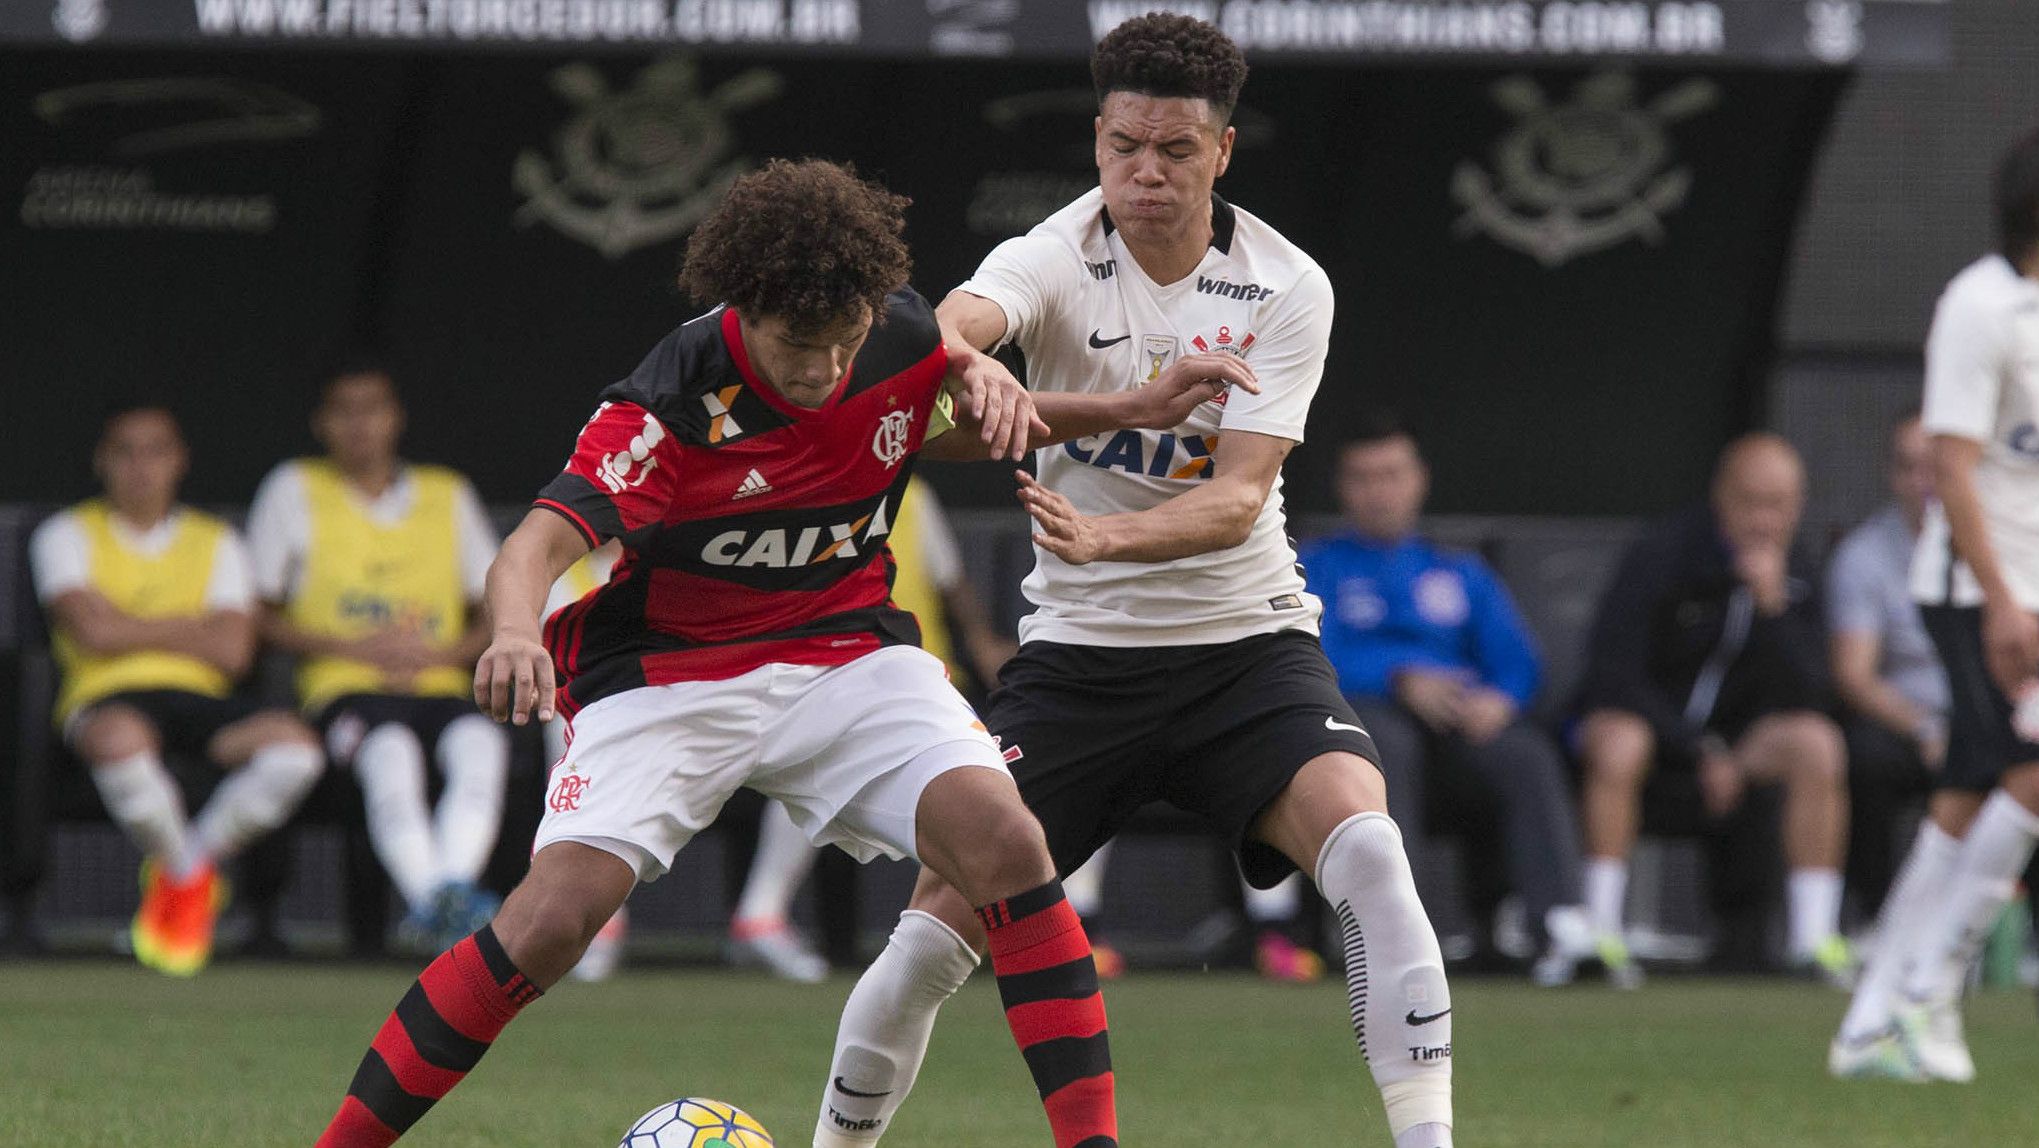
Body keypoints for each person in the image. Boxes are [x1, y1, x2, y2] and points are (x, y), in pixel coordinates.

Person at [310, 158, 1223, 1148]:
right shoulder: (669, 399)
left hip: (844, 652)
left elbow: (936, 424)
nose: (824, 370)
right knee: (551, 922)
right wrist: (517, 632)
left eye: (846, 343)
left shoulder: (897, 332)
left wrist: (1132, 405)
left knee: (1007, 843)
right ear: (743, 306)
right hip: (667, 670)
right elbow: (534, 543)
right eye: (799, 346)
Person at [812, 17, 1455, 1148]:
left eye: (1171, 149)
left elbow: (1238, 497)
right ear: (1098, 142)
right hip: (1079, 665)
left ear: (1222, 152)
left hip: (1244, 645)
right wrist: (962, 361)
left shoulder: (1282, 286)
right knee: (926, 941)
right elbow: (959, 317)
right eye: (1120, 147)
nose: (1142, 173)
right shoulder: (1056, 254)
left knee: (1369, 848)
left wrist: (1104, 543)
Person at [1831, 126, 2039, 1083]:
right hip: (1979, 589)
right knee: (2031, 774)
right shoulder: (1980, 305)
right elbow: (1951, 468)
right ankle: (1927, 992)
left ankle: (1870, 1021)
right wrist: (2000, 603)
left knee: (1965, 793)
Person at [1301, 418, 1596, 986]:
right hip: (1367, 731)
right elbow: (1309, 653)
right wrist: (1398, 677)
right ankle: (1388, 930)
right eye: (1364, 478)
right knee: (1386, 742)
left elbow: (1518, 661)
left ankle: (1559, 925)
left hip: (1458, 735)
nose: (1379, 491)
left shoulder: (1458, 571)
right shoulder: (1316, 565)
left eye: (1392, 475)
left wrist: (1498, 700)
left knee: (1524, 754)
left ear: (1419, 481)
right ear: (1343, 487)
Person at [30, 407, 323, 976]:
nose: (141, 467)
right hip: (108, 695)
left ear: (179, 461)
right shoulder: (64, 534)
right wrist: (192, 627)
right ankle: (189, 879)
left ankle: (183, 868)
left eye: (155, 451)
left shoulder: (217, 542)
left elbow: (234, 652)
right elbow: (89, 632)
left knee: (298, 749)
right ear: (102, 462)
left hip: (202, 704)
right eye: (125, 452)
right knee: (120, 743)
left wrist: (128, 623)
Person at [249, 364, 510, 952]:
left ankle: (443, 899)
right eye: (345, 410)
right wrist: (348, 647)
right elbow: (259, 615)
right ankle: (441, 906)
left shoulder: (448, 494)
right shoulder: (293, 489)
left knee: (483, 744)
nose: (361, 424)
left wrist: (443, 652)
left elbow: (495, 606)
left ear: (396, 418)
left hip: (440, 686)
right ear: (322, 423)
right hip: (344, 694)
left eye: (373, 409)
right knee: (390, 751)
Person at [1575, 433, 1849, 985]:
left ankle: (1813, 941)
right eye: (1750, 501)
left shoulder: (1799, 571)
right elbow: (1613, 671)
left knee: (1818, 743)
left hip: (1739, 755)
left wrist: (1773, 609)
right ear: (1720, 497)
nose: (1763, 520)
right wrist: (1695, 746)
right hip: (1655, 740)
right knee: (1621, 740)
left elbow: (1817, 691)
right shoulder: (1664, 551)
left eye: (1779, 505)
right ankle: (1597, 934)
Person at [1825, 412, 1947, 928]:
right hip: (1907, 725)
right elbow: (1854, 674)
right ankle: (1876, 923)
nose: (1922, 482)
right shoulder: (1864, 555)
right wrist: (1926, 727)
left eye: (1934, 467)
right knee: (1863, 759)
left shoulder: (2002, 542)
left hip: (1990, 718)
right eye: (1908, 467)